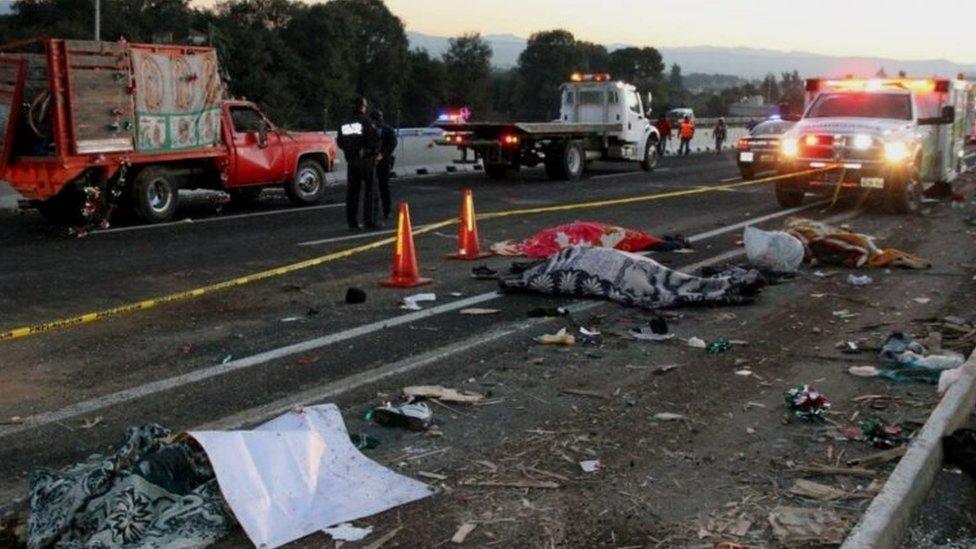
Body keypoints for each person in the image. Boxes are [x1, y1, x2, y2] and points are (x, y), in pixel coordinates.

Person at [337, 97, 381, 230]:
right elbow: (375, 140)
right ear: (362, 107)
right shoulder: (366, 121)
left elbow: (340, 142)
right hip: (366, 160)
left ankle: (352, 221)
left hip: (351, 161)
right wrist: (374, 152)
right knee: (370, 191)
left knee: (352, 193)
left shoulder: (344, 122)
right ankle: (370, 221)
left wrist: (350, 151)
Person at [370, 110, 398, 220]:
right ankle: (384, 210)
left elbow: (392, 144)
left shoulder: (386, 130)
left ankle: (386, 210)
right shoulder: (385, 130)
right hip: (377, 160)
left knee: (383, 187)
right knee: (381, 187)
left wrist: (382, 154)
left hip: (382, 160)